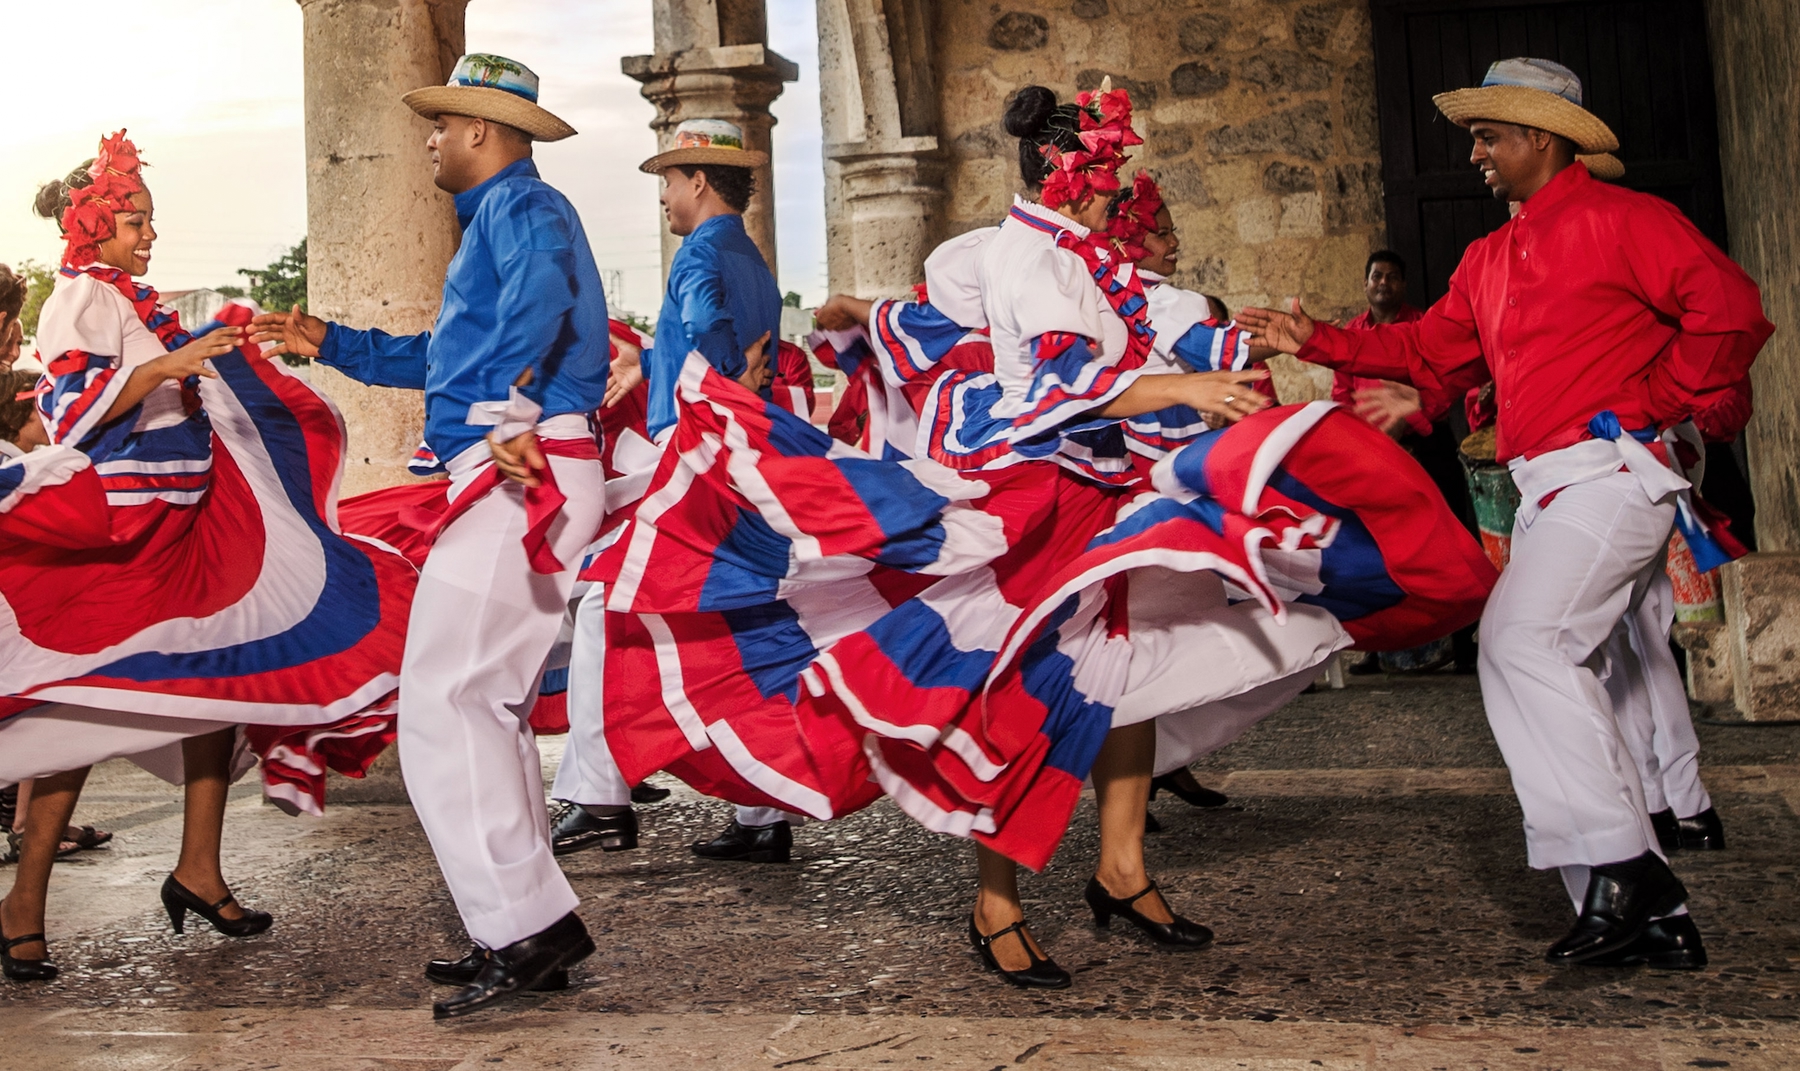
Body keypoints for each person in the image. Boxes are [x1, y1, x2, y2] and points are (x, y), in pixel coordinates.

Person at [592, 80, 1490, 993]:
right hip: (1036, 506)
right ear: (1071, 177)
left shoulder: (1073, 253)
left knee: (1127, 674)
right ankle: (997, 904)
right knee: (1016, 696)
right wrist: (1183, 390)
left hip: (1096, 492)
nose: (1119, 192)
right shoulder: (1037, 261)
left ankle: (1123, 869)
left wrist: (1238, 347)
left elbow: (1124, 321)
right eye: (1108, 175)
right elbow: (1064, 387)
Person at [1238, 57, 1772, 970]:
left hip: (1611, 476)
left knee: (1526, 641)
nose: (1476, 152)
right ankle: (1621, 898)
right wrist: (1315, 337)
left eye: (1489, 135)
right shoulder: (1488, 258)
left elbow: (1731, 313)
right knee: (1517, 661)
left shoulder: (1628, 220)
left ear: (1542, 137)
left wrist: (1659, 395)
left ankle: (1632, 874)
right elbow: (1421, 345)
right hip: (1543, 489)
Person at [2, 134, 414, 983]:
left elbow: (158, 382)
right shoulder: (76, 296)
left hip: (181, 527)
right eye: (134, 221)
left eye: (151, 221)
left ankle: (197, 866)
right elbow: (75, 409)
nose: (150, 235)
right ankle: (24, 905)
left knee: (221, 672)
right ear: (92, 226)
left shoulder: (123, 295)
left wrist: (212, 353)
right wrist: (172, 361)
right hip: (128, 538)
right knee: (86, 701)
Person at [252, 54, 609, 1017]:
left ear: (483, 132)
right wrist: (332, 343)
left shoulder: (523, 213)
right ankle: (524, 922)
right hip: (519, 461)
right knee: (479, 704)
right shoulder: (501, 220)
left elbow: (536, 313)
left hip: (517, 467)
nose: (430, 141)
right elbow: (445, 354)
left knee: (446, 704)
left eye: (442, 127)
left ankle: (524, 926)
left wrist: (508, 413)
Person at [549, 118, 802, 867]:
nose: (664, 196)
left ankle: (599, 794)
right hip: (732, 447)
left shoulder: (697, 253)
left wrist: (712, 380)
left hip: (696, 448)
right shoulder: (750, 256)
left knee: (604, 593)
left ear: (697, 179)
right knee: (731, 618)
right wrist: (662, 357)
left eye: (668, 180)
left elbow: (712, 336)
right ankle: (759, 812)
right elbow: (734, 346)